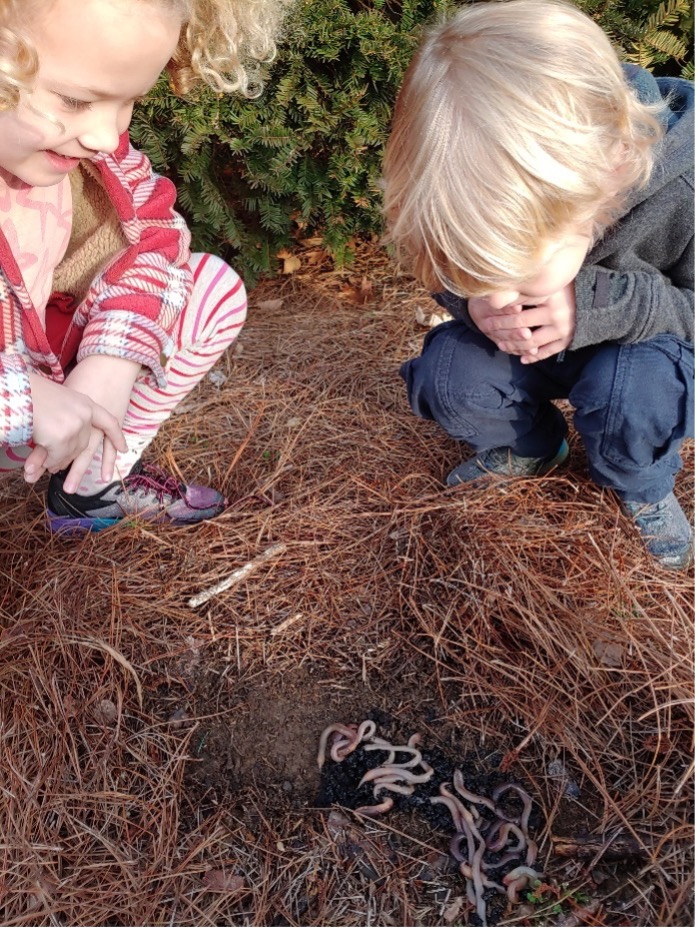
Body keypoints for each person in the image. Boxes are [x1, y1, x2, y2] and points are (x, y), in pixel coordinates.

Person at [383, 0, 694, 569]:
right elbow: (453, 275)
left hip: (643, 353)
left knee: (636, 391)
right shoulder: (494, 208)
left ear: (614, 167)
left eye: (510, 270)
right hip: (537, 355)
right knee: (447, 372)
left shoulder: (686, 190)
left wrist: (604, 308)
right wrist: (471, 305)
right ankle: (534, 445)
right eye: (480, 270)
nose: (503, 293)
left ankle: (640, 484)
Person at [0, 0, 289, 532]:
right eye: (74, 99)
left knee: (212, 289)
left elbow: (157, 234)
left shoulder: (93, 153)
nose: (106, 137)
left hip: (55, 386)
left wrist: (113, 360)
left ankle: (89, 486)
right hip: (21, 405)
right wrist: (19, 399)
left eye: (129, 102)